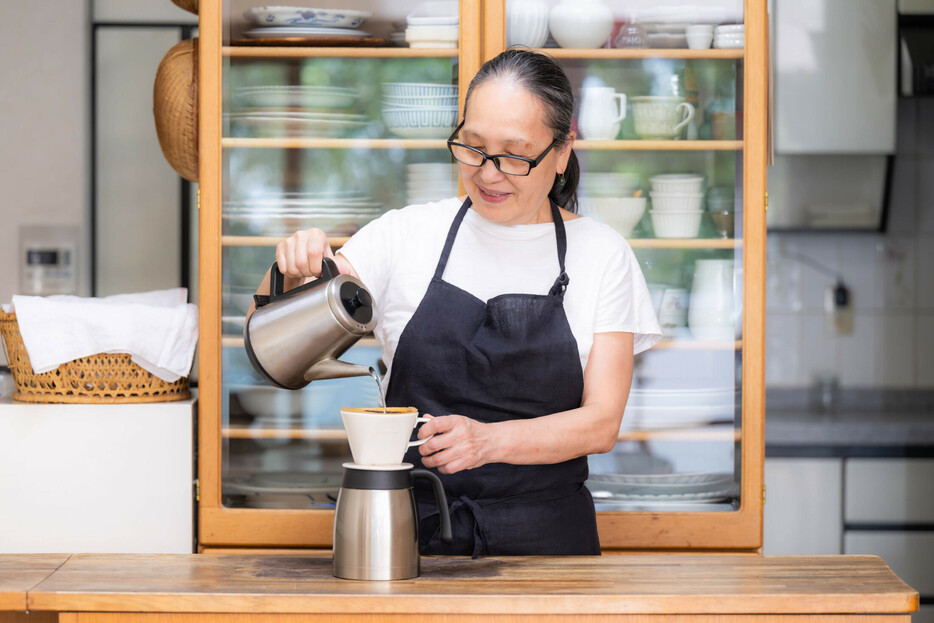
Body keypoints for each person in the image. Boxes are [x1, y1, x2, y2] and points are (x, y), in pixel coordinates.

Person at [251, 49, 662, 556]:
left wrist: (488, 441)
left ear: (561, 151)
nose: (488, 174)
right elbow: (272, 353)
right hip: (408, 543)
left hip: (551, 551)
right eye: (472, 148)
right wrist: (293, 278)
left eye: (514, 155)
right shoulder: (404, 236)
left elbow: (601, 423)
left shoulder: (602, 255)